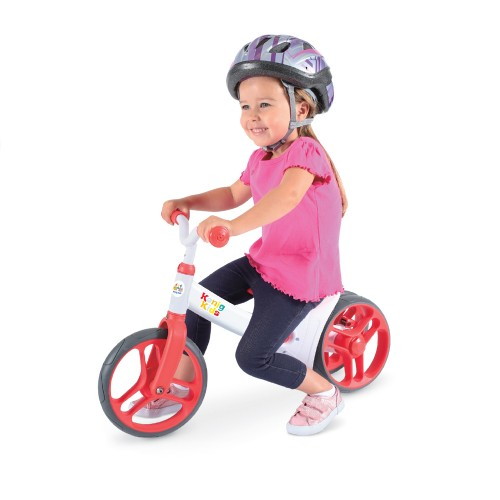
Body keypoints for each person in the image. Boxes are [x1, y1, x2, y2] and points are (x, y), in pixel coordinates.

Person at [161, 34, 348, 436]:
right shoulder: (260, 157)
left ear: (300, 108)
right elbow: (233, 194)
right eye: (245, 106)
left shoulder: (307, 154)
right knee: (196, 302)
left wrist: (233, 227)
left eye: (264, 104)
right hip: (264, 261)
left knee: (253, 357)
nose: (252, 115)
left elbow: (286, 197)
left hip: (300, 274)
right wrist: (188, 201)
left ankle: (323, 392)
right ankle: (178, 381)